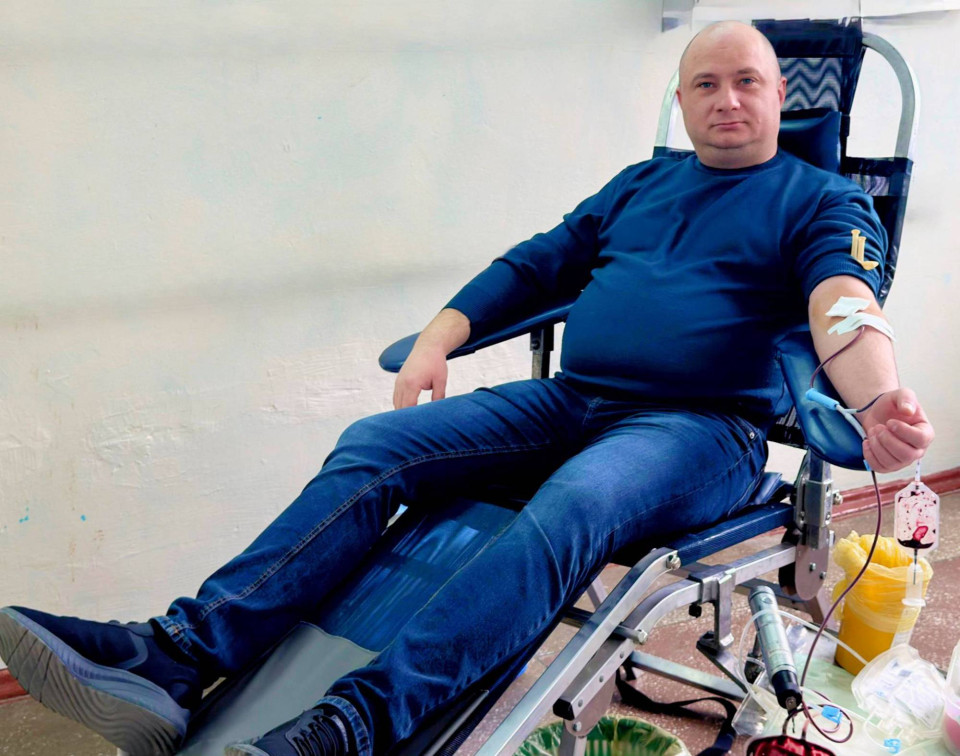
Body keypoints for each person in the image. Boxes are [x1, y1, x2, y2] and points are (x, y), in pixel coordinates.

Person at [0, 20, 934, 756]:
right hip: (573, 402)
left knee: (577, 503)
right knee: (378, 444)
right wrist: (439, 339)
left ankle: (353, 725)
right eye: (706, 83)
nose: (727, 99)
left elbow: (843, 306)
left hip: (699, 430)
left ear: (783, 96)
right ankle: (178, 654)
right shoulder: (640, 184)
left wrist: (877, 397)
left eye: (749, 82)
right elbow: (536, 265)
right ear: (683, 100)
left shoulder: (822, 200)